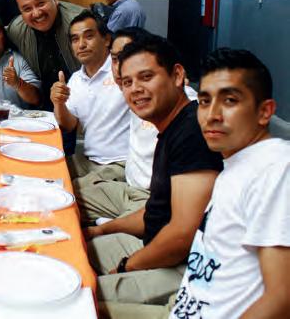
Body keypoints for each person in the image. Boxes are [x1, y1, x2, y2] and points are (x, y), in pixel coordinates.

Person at [86, 35, 223, 306]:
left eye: (146, 77)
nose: (135, 89)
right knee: (67, 250)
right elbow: (157, 212)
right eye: (127, 82)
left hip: (184, 267)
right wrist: (102, 230)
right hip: (153, 246)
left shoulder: (192, 132)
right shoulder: (170, 128)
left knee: (78, 296)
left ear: (177, 75)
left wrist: (128, 265)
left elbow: (182, 235)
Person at [170, 48, 290, 319]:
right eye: (204, 101)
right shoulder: (237, 164)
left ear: (265, 112)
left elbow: (282, 299)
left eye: (230, 100)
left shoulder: (276, 168)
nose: (212, 114)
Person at [80, 27, 197, 222]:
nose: (121, 67)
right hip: (128, 187)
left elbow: (178, 220)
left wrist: (102, 229)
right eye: (115, 59)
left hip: (151, 201)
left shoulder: (190, 117)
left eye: (145, 76)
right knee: (62, 197)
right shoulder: (131, 94)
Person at [50, 10, 130, 184]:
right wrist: (59, 103)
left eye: (89, 36)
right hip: (87, 161)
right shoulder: (76, 79)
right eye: (75, 39)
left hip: (119, 163)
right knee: (45, 173)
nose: (81, 44)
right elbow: (69, 124)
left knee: (65, 189)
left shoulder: (123, 71)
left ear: (106, 39)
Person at [7, 0, 83, 111]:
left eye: (41, 4)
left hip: (83, 105)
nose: (36, 13)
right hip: (43, 110)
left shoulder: (80, 23)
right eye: (27, 9)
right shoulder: (17, 29)